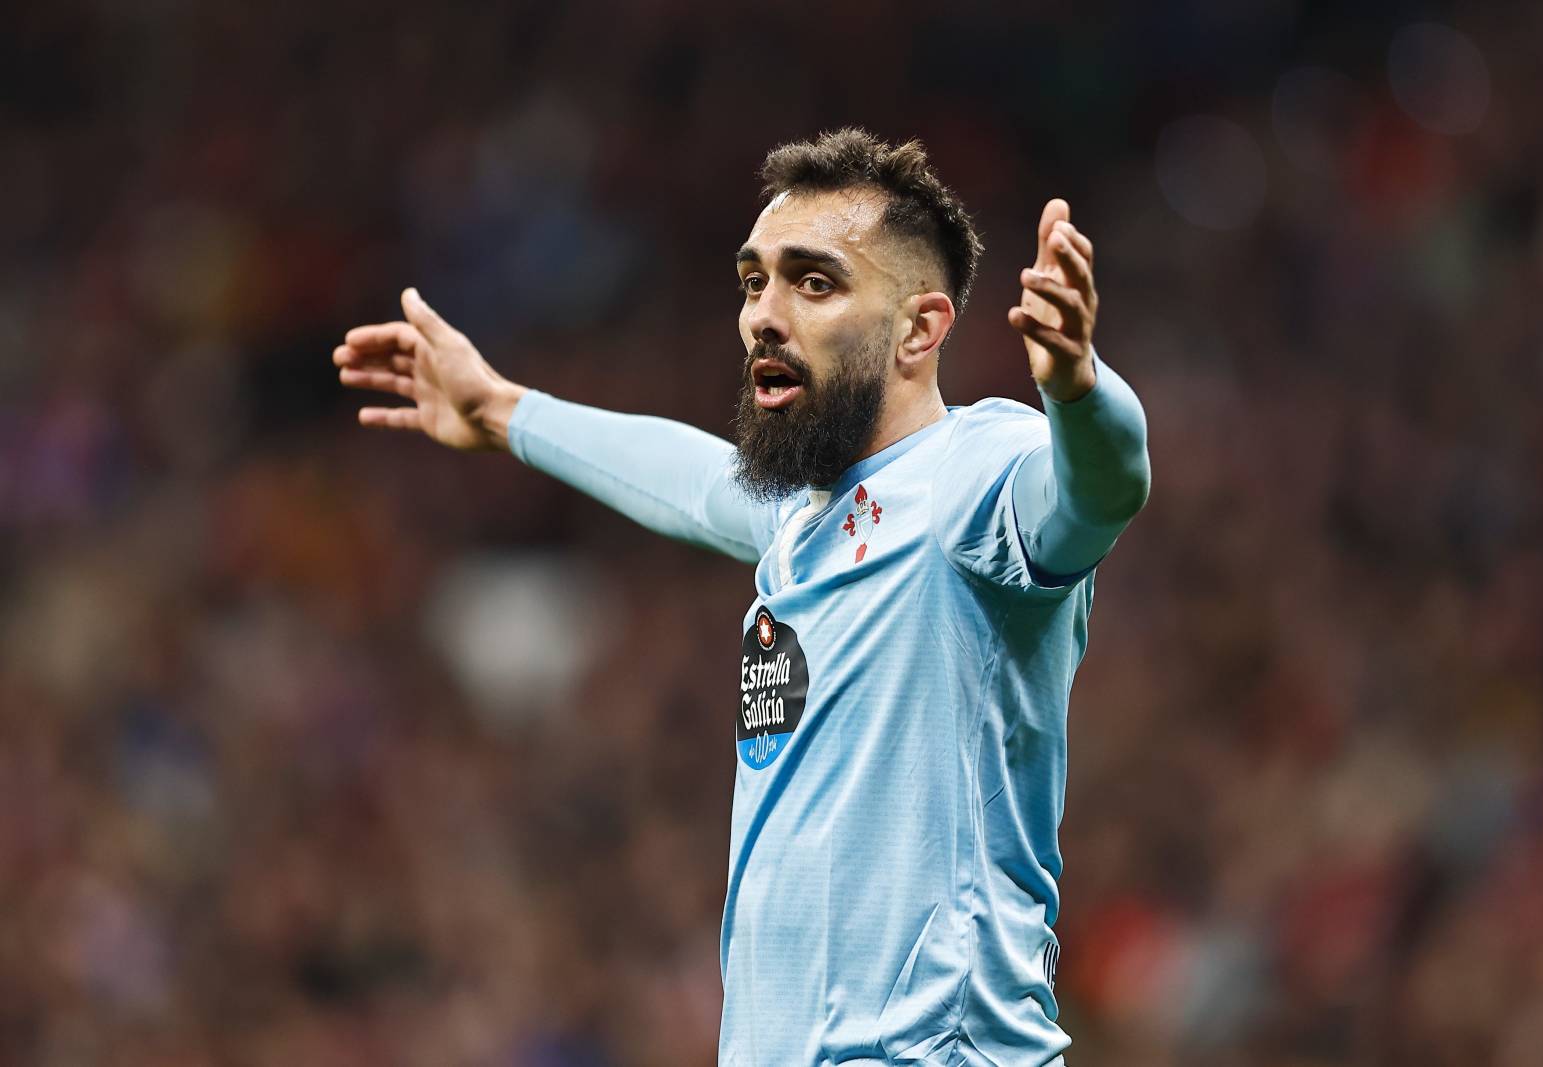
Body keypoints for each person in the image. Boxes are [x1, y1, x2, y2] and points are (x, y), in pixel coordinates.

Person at [334, 128, 1150, 1066]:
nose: (764, 314)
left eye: (814, 283)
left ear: (919, 329)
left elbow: (1101, 491)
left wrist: (1079, 390)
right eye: (754, 281)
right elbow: (692, 479)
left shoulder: (973, 473)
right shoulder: (805, 519)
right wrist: (504, 409)